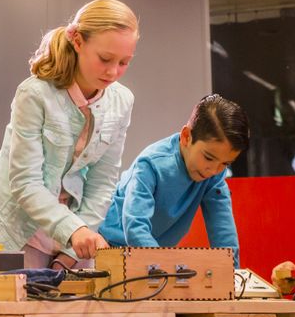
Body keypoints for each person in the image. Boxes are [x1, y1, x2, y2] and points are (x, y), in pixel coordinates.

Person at [0, 0, 137, 268]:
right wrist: (73, 230)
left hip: (75, 223)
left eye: (124, 62)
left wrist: (73, 249)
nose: (113, 72)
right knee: (27, 292)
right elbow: (25, 182)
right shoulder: (35, 93)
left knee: (84, 288)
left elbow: (103, 181)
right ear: (77, 41)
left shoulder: (122, 100)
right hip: (19, 223)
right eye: (105, 59)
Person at [99, 93, 248, 264]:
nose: (214, 170)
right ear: (186, 137)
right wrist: (164, 268)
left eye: (225, 163)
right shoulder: (151, 164)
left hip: (153, 254)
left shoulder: (214, 175)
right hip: (111, 248)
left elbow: (223, 229)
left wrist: (232, 272)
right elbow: (135, 227)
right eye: (208, 157)